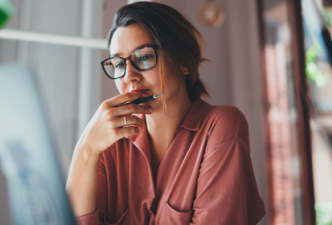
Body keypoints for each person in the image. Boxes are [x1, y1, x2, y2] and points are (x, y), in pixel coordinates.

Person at [66, 2, 265, 225]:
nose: (129, 76)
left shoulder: (221, 127)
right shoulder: (107, 144)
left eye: (143, 57)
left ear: (183, 62)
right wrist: (85, 149)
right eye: (119, 64)